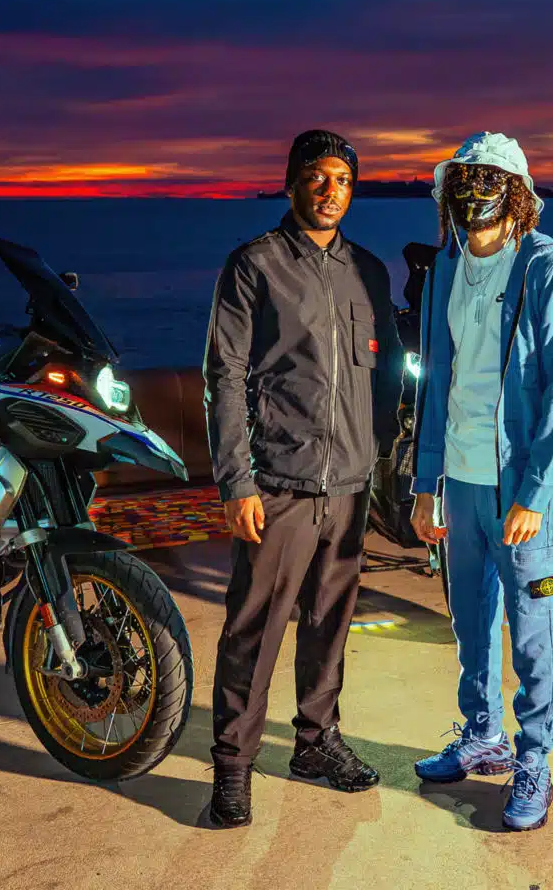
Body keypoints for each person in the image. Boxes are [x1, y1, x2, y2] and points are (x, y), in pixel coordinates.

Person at [203, 129, 403, 827]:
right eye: (317, 177)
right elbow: (225, 376)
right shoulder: (254, 265)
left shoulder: (368, 271)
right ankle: (233, 767)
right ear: (292, 183)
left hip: (349, 485)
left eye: (343, 180)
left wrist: (382, 457)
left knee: (330, 624)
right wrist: (237, 481)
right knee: (253, 632)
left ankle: (316, 745)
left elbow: (387, 369)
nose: (330, 191)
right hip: (278, 485)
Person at [409, 131, 553, 832]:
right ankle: (482, 733)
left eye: (488, 179)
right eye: (463, 179)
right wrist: (426, 483)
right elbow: (435, 383)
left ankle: (534, 761)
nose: (473, 191)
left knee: (533, 628)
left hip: (517, 488)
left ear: (516, 193)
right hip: (460, 479)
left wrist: (537, 494)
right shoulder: (446, 269)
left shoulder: (548, 268)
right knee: (471, 619)